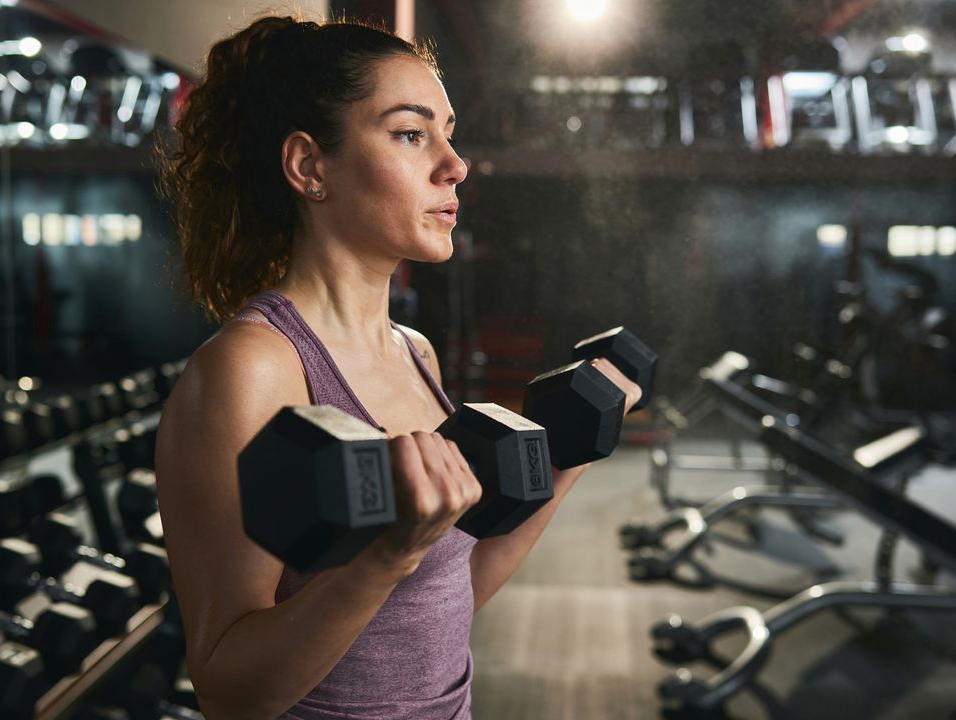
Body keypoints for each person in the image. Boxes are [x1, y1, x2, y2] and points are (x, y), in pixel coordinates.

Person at [153, 15, 641, 719]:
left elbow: (448, 595)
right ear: (309, 167)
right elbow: (230, 690)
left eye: (448, 132)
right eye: (412, 134)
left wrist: (573, 454)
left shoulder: (414, 352)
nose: (455, 163)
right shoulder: (250, 372)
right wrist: (381, 558)